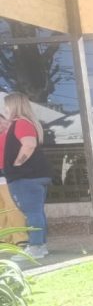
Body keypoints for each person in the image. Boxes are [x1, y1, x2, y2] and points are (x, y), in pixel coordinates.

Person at [3, 93, 52, 259]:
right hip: (34, 176)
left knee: (32, 212)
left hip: (27, 177)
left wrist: (17, 163)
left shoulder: (21, 123)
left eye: (7, 105)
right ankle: (40, 245)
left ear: (14, 106)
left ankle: (36, 247)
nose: (5, 109)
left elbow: (29, 144)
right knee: (36, 212)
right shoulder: (24, 123)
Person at [0, 114, 29, 246]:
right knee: (2, 209)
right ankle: (4, 238)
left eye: (2, 121)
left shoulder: (10, 134)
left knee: (12, 206)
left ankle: (20, 237)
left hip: (7, 174)